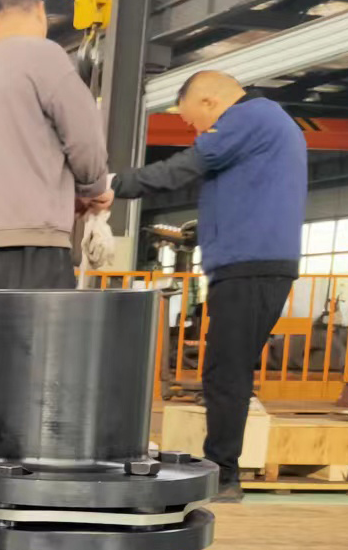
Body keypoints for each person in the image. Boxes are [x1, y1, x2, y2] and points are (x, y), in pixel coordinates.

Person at [111, 71, 307, 501]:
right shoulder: (266, 124)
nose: (196, 131)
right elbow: (248, 195)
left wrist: (114, 185)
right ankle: (222, 468)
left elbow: (185, 167)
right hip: (249, 263)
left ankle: (224, 474)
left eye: (191, 121)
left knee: (227, 371)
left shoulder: (249, 117)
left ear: (208, 102)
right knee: (226, 369)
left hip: (250, 266)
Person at [0, 0, 112, 291]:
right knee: (35, 326)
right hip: (30, 247)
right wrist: (93, 189)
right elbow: (85, 139)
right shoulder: (43, 56)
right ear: (40, 11)